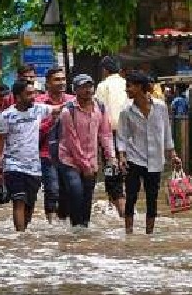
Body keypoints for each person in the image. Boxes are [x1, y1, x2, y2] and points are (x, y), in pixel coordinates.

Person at [116, 70, 180, 235]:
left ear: (139, 87)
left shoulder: (160, 107)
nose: (127, 90)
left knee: (152, 199)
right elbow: (122, 137)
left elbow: (166, 133)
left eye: (129, 86)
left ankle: (149, 234)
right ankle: (129, 233)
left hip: (155, 160)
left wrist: (172, 154)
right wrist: (122, 157)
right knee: (131, 197)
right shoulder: (126, 111)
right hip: (134, 159)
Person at [57, 74, 116, 228]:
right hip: (70, 159)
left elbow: (105, 134)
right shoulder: (68, 111)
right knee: (76, 191)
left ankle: (84, 228)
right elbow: (72, 141)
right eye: (83, 87)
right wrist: (85, 165)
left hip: (91, 159)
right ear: (75, 90)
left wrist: (111, 157)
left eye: (89, 86)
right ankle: (76, 227)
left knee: (88, 197)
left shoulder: (101, 107)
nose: (88, 90)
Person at [0, 79, 52, 232]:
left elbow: (58, 109)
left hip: (34, 167)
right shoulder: (6, 116)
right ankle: (20, 236)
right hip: (13, 166)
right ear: (18, 97)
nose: (33, 97)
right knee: (19, 200)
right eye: (29, 94)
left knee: (30, 204)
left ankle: (24, 232)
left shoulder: (39, 109)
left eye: (34, 93)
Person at [35, 66, 74, 223]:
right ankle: (50, 223)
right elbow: (35, 130)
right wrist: (53, 118)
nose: (61, 82)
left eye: (63, 79)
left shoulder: (73, 101)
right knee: (52, 189)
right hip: (46, 152)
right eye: (57, 79)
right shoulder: (39, 104)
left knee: (68, 190)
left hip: (70, 154)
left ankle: (63, 221)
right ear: (48, 83)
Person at [95, 56, 128, 218]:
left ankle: (123, 215)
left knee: (112, 176)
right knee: (123, 176)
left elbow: (97, 113)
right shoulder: (127, 84)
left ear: (105, 70)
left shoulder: (103, 86)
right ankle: (117, 210)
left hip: (110, 138)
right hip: (131, 138)